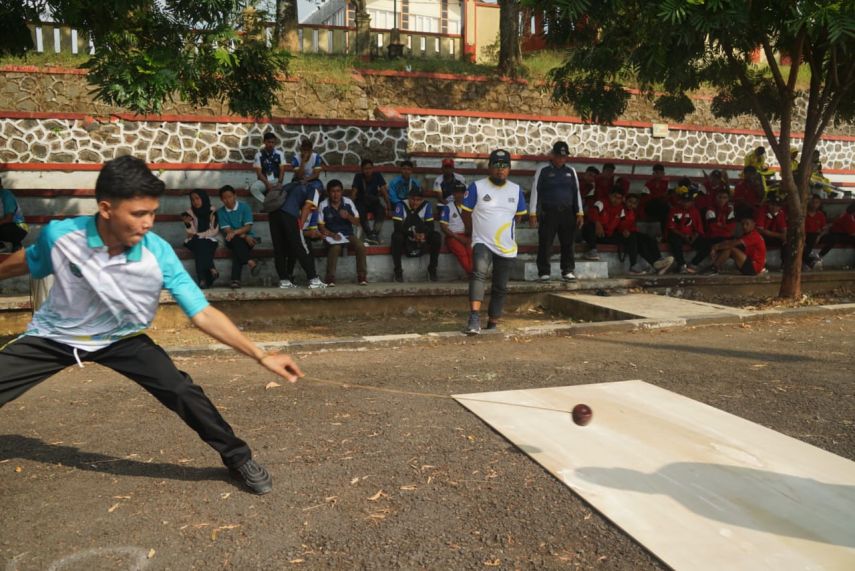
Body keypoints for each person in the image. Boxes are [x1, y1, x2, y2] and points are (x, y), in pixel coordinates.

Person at [0, 156, 305, 495]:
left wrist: (261, 356)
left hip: (121, 337)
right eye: (138, 214)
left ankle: (238, 458)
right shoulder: (62, 236)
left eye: (152, 213)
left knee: (182, 390)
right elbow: (25, 262)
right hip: (54, 335)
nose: (148, 223)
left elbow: (202, 313)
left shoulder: (156, 253)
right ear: (106, 209)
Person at [462, 149, 527, 335]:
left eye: (504, 166)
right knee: (478, 274)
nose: (500, 170)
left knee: (500, 285)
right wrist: (472, 232)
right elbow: (466, 212)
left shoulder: (516, 190)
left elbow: (519, 216)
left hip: (506, 246)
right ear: (490, 167)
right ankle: (474, 317)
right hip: (482, 241)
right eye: (496, 165)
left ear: (509, 168)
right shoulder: (477, 187)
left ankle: (493, 321)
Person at [529, 141, 584, 282]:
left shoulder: (570, 171)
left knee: (568, 243)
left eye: (564, 156)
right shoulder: (543, 170)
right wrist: (533, 213)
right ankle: (544, 272)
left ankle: (567, 270)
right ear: (553, 155)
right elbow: (535, 191)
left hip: (568, 213)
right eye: (559, 156)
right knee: (546, 242)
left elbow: (576, 192)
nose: (561, 159)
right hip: (549, 212)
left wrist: (580, 213)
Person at [269, 178, 325, 289]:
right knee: (301, 246)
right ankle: (313, 279)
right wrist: (300, 226)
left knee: (279, 248)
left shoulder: (294, 185)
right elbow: (306, 208)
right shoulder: (314, 190)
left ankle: (284, 281)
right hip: (289, 215)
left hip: (273, 215)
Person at [318, 179, 368, 286]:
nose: (336, 194)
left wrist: (348, 216)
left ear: (342, 192)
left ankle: (362, 276)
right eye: (333, 191)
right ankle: (330, 278)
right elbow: (321, 227)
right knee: (335, 248)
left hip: (348, 235)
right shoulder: (323, 205)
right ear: (328, 193)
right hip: (331, 236)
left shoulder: (348, 202)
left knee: (360, 246)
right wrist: (332, 234)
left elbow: (357, 222)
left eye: (338, 191)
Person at [390, 189, 441, 282]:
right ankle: (398, 271)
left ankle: (432, 269)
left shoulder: (426, 205)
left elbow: (430, 226)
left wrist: (424, 235)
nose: (415, 202)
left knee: (436, 236)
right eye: (413, 199)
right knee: (396, 237)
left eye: (418, 200)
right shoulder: (400, 205)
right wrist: (413, 234)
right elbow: (397, 226)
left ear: (421, 200)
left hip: (421, 233)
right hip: (406, 233)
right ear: (408, 198)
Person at [216, 185, 259, 289]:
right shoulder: (220, 212)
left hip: (248, 240)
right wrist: (244, 236)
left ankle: (235, 280)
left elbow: (248, 227)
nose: (227, 200)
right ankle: (250, 261)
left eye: (230, 196)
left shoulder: (244, 207)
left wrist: (241, 235)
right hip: (232, 240)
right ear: (221, 199)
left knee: (237, 250)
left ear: (235, 196)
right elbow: (228, 231)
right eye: (224, 198)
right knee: (235, 240)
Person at [620, 194, 674, 275]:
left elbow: (632, 227)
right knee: (636, 239)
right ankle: (633, 265)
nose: (631, 204)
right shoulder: (621, 210)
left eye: (634, 203)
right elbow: (620, 223)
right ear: (625, 201)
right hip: (620, 234)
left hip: (631, 234)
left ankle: (658, 260)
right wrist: (623, 230)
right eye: (630, 202)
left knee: (647, 238)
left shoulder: (632, 212)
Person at [687, 188, 736, 272]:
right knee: (709, 245)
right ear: (716, 198)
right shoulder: (710, 209)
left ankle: (715, 266)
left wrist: (720, 226)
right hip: (711, 236)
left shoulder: (730, 210)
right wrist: (724, 227)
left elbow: (731, 228)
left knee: (732, 243)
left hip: (724, 237)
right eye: (720, 197)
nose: (722, 200)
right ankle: (693, 264)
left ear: (728, 199)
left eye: (725, 197)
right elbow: (713, 228)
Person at [181, 189, 220, 289]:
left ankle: (202, 280)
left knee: (201, 248)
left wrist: (200, 235)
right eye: (192, 199)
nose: (195, 202)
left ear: (203, 198)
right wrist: (188, 224)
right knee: (200, 244)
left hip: (209, 239)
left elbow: (214, 230)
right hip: (193, 241)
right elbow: (191, 233)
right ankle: (211, 268)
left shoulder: (212, 211)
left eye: (197, 198)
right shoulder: (188, 213)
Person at [665, 187, 705, 273]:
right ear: (680, 201)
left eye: (688, 201)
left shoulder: (695, 211)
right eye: (684, 201)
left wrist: (693, 237)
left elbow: (699, 229)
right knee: (675, 241)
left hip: (691, 235)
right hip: (678, 234)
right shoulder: (674, 210)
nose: (686, 203)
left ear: (692, 202)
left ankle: (694, 264)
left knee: (707, 245)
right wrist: (684, 236)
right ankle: (681, 265)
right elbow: (671, 227)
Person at [582, 186, 628, 261]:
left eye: (619, 198)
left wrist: (625, 230)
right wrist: (597, 223)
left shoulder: (621, 208)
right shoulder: (601, 202)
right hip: (595, 233)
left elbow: (622, 223)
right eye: (614, 197)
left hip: (606, 236)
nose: (616, 200)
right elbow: (592, 212)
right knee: (589, 226)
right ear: (610, 195)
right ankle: (592, 250)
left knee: (626, 237)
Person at [350, 158, 389, 245]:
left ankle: (374, 234)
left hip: (373, 201)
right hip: (361, 201)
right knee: (360, 212)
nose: (368, 171)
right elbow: (353, 193)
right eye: (365, 169)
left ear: (373, 168)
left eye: (370, 168)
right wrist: (351, 208)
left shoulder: (377, 175)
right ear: (362, 169)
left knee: (381, 211)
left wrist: (389, 206)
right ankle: (369, 234)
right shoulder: (358, 177)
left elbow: (384, 192)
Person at [439, 181, 472, 276]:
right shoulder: (448, 207)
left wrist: (469, 236)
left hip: (468, 235)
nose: (460, 195)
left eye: (462, 192)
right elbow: (443, 227)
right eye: (457, 192)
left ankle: (474, 274)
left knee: (472, 252)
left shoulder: (470, 207)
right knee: (462, 253)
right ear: (453, 194)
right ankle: (473, 274)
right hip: (453, 236)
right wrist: (458, 237)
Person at [755, 193, 788, 265]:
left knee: (787, 241)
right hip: (762, 237)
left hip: (773, 236)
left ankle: (785, 265)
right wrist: (779, 235)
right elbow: (760, 230)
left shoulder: (780, 213)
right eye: (772, 204)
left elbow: (784, 230)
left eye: (777, 206)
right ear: (768, 204)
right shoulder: (762, 210)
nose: (774, 207)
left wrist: (784, 237)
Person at [640, 164, 671, 236]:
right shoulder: (648, 184)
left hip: (663, 206)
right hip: (651, 206)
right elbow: (644, 198)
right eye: (656, 173)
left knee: (664, 209)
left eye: (660, 173)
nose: (658, 175)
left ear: (663, 174)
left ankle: (663, 234)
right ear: (653, 174)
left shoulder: (667, 184)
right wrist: (659, 196)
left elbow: (669, 196)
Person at [0, 184, 28, 253]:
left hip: (20, 226)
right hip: (7, 225)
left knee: (6, 228)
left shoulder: (6, 195)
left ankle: (16, 246)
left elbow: (8, 218)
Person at [803, 194, 827, 270]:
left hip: (816, 236)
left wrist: (819, 236)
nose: (814, 205)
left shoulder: (820, 215)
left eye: (817, 202)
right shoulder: (804, 214)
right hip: (804, 235)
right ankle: (811, 261)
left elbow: (824, 228)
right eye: (813, 202)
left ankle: (813, 258)